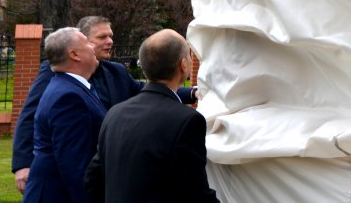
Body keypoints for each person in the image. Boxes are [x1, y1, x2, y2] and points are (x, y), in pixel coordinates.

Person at [12, 16, 197, 192]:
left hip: (104, 167)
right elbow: (30, 114)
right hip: (67, 174)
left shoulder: (116, 71)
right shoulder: (56, 71)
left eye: (111, 36)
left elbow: (144, 90)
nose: (109, 41)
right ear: (82, 42)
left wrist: (192, 92)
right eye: (102, 37)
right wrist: (22, 164)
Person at [85, 29, 218, 202]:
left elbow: (92, 180)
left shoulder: (114, 113)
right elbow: (195, 192)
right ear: (183, 65)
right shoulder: (186, 120)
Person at [22, 27, 106, 203]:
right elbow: (75, 166)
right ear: (75, 54)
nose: (93, 47)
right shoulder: (68, 97)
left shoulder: (71, 88)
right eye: (88, 43)